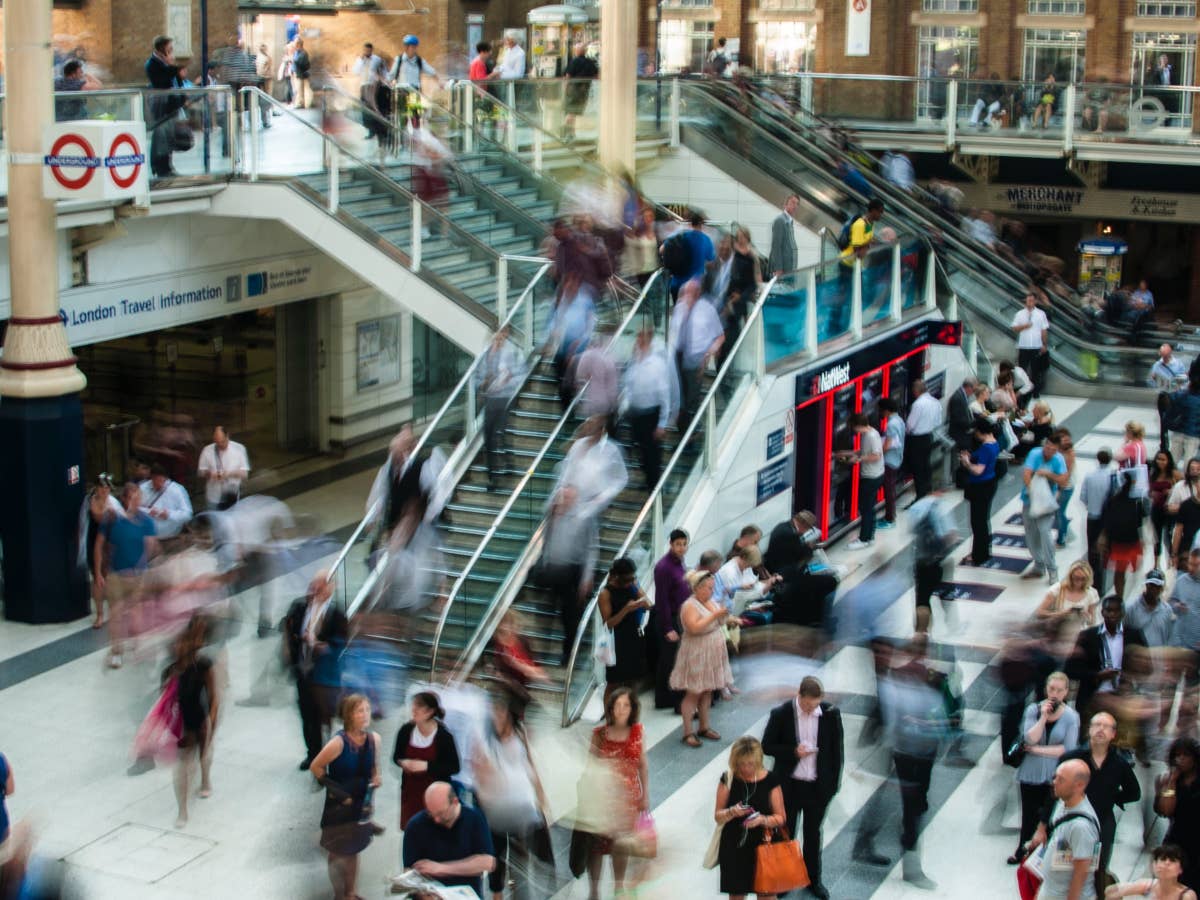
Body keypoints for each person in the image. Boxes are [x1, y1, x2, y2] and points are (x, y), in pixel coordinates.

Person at [760, 677, 843, 900]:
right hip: (790, 786)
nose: (811, 709)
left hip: (817, 787)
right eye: (808, 704)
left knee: (813, 834)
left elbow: (837, 752)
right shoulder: (782, 714)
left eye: (815, 704)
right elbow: (767, 746)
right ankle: (785, 879)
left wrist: (832, 786)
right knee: (786, 834)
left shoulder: (830, 714)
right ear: (800, 695)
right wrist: (793, 752)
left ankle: (813, 879)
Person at [1055, 712, 1142, 893]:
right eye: (1097, 725)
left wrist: (1113, 797)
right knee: (1065, 867)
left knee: (1098, 868)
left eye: (1106, 726)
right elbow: (1054, 792)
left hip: (1102, 821)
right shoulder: (1072, 758)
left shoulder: (1119, 763)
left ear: (1113, 734)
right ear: (1089, 729)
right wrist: (1042, 826)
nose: (1101, 729)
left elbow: (1134, 792)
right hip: (1071, 819)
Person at [474, 693, 549, 900]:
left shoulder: (520, 732)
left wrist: (541, 798)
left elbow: (530, 764)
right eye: (493, 712)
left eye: (500, 712)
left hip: (521, 807)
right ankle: (497, 892)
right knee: (496, 854)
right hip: (494, 809)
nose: (496, 716)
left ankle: (519, 892)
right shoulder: (484, 738)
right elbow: (478, 771)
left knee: (520, 855)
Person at [310, 694, 382, 900]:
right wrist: (338, 792)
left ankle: (351, 892)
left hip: (361, 805)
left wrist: (376, 777)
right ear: (349, 715)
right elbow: (316, 767)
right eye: (360, 711)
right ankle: (338, 895)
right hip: (339, 807)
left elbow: (374, 767)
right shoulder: (338, 743)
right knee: (337, 851)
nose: (365, 714)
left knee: (354, 850)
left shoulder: (374, 740)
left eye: (367, 710)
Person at [1010, 672, 1080, 865]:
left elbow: (1067, 748)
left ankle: (1043, 854)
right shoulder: (1034, 709)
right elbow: (1029, 737)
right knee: (1028, 814)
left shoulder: (1071, 717)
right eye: (1051, 689)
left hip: (1054, 775)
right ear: (1046, 689)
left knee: (1048, 816)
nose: (1054, 693)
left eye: (1059, 690)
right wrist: (1043, 718)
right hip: (1030, 771)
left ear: (1066, 692)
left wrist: (1035, 750)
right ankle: (1022, 849)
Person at [587, 687, 649, 899]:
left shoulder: (637, 732)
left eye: (626, 705)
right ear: (610, 708)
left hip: (627, 800)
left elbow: (642, 765)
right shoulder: (599, 735)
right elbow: (590, 767)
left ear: (632, 708)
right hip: (602, 799)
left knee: (621, 845)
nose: (621, 710)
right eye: (617, 705)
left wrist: (645, 794)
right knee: (596, 846)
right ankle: (594, 891)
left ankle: (618, 887)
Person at [285, 572, 349, 771]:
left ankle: (327, 754)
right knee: (306, 715)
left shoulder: (337, 615)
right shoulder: (300, 607)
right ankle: (312, 753)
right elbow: (289, 632)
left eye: (321, 585)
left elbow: (341, 645)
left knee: (325, 717)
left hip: (324, 677)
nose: (316, 589)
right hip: (303, 672)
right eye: (314, 585)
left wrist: (321, 645)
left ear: (331, 587)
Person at [714, 737, 787, 900]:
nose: (746, 769)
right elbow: (718, 816)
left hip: (764, 844)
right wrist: (731, 812)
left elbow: (781, 817)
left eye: (750, 764)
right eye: (741, 764)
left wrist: (762, 819)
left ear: (758, 760)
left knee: (767, 894)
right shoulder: (728, 779)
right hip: (734, 846)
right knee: (737, 894)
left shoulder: (771, 780)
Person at [97, 482, 159, 669]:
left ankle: (137, 645)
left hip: (138, 575)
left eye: (139, 497)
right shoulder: (112, 519)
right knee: (115, 614)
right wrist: (99, 571)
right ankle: (116, 651)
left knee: (136, 613)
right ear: (124, 499)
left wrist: (143, 568)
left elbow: (151, 546)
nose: (137, 501)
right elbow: (99, 545)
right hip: (116, 575)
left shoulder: (146, 521)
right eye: (133, 497)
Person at [401, 781, 496, 898]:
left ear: (455, 802)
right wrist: (423, 894)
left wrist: (441, 868)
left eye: (441, 814)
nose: (436, 819)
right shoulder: (415, 825)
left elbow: (487, 862)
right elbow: (408, 871)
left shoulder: (474, 818)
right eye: (431, 813)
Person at [670, 570, 733, 748]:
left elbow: (719, 620)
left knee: (707, 690)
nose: (712, 592)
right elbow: (694, 628)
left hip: (712, 651)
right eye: (708, 588)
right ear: (697, 588)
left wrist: (727, 617)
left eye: (713, 588)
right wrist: (715, 615)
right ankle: (688, 732)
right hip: (697, 652)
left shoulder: (710, 601)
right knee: (694, 692)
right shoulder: (689, 605)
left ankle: (704, 727)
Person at [1024, 759, 1102, 900]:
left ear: (1079, 785)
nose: (1054, 782)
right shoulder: (1062, 803)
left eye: (1061, 780)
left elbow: (1081, 873)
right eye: (1055, 777)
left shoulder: (1081, 827)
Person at [1066, 595, 1149, 719]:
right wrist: (1097, 675)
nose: (1112, 614)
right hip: (1094, 698)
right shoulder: (1088, 637)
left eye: (1117, 611)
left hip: (1124, 699)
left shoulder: (1134, 635)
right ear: (1102, 612)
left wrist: (1129, 679)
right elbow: (1071, 670)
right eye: (1109, 610)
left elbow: (1147, 665)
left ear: (1123, 613)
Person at [393, 692, 461, 830]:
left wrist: (427, 766)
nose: (414, 710)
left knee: (433, 830)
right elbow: (396, 756)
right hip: (411, 792)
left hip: (436, 797)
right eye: (414, 705)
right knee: (412, 829)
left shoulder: (444, 736)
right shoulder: (406, 730)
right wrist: (403, 763)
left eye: (419, 706)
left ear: (430, 711)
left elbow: (454, 767)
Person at [622, 326, 674, 491]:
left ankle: (655, 484)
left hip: (652, 413)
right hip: (636, 413)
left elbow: (664, 394)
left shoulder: (657, 364)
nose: (638, 341)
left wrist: (662, 423)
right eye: (638, 338)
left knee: (652, 452)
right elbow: (628, 384)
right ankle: (648, 480)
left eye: (641, 338)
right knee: (641, 449)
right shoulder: (634, 361)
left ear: (648, 340)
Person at [670, 279, 725, 433]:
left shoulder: (707, 310)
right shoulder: (679, 308)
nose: (687, 296)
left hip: (697, 360)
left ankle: (689, 433)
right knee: (680, 398)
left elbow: (720, 336)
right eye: (685, 293)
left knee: (691, 400)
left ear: (698, 293)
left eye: (690, 293)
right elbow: (673, 333)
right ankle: (684, 431)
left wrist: (708, 354)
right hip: (678, 357)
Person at [476, 324, 522, 491]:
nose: (498, 340)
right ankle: (492, 477)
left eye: (501, 336)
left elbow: (518, 375)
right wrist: (482, 384)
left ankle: (508, 463)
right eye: (496, 337)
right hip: (490, 400)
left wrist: (507, 381)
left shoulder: (510, 354)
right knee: (489, 437)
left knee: (501, 433)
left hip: (504, 399)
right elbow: (478, 377)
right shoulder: (486, 355)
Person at [598, 558, 651, 701]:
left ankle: (630, 716)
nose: (631, 581)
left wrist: (637, 587)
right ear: (617, 576)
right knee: (613, 683)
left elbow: (648, 605)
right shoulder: (606, 593)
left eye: (633, 577)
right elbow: (608, 624)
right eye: (628, 578)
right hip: (616, 642)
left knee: (632, 680)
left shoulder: (632, 587)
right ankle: (610, 720)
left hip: (633, 637)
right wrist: (626, 609)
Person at [908, 489, 958, 633]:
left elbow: (911, 531)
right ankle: (952, 624)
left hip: (921, 560)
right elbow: (951, 535)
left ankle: (923, 629)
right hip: (938, 560)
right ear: (937, 492)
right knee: (946, 593)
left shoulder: (915, 507)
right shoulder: (940, 507)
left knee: (922, 597)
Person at [1023, 434, 1069, 585]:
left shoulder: (1058, 460)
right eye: (1047, 446)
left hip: (1046, 503)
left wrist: (1048, 474)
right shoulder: (1035, 454)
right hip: (1030, 500)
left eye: (1052, 449)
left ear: (1057, 450)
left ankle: (1052, 568)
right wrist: (1032, 490)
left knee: (1045, 533)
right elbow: (1027, 474)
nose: (1048, 451)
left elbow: (1063, 480)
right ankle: (1038, 564)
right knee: (1031, 534)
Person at [1155, 738, 1200, 890]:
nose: (1180, 759)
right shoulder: (1168, 781)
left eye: (1185, 755)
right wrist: (1171, 783)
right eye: (1177, 755)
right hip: (1178, 837)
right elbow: (1166, 810)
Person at [653, 529, 690, 711]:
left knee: (674, 659)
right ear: (671, 544)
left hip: (680, 617)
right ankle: (664, 698)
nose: (682, 548)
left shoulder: (679, 563)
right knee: (668, 661)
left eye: (684, 544)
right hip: (669, 619)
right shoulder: (664, 567)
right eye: (678, 544)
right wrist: (668, 627)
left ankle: (669, 698)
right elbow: (662, 600)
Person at [1101, 469, 1147, 599]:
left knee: (1120, 572)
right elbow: (1142, 521)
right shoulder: (1138, 500)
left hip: (1118, 542)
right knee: (1134, 571)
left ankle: (1120, 597)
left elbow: (1107, 522)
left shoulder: (1113, 500)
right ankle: (1128, 597)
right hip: (1132, 542)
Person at [145, 35, 184, 178]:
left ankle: (167, 165)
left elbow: (178, 79)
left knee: (168, 135)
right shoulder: (153, 63)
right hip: (161, 104)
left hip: (171, 103)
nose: (171, 50)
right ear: (162, 49)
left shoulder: (166, 64)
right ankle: (160, 167)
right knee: (161, 135)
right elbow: (160, 82)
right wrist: (172, 67)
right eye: (169, 47)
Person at [845, 413, 885, 550]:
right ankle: (869, 537)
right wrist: (848, 453)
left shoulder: (871, 436)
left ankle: (864, 539)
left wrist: (859, 459)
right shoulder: (870, 434)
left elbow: (876, 455)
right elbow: (864, 451)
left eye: (853, 427)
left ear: (857, 425)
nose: (853, 430)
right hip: (875, 475)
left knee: (866, 509)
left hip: (871, 477)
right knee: (870, 508)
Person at [1037, 560, 1101, 645]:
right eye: (1076, 578)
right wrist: (1061, 614)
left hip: (1080, 634)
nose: (1079, 582)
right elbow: (1040, 613)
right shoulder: (1057, 589)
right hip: (1058, 633)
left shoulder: (1091, 593)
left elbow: (1092, 621)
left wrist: (1086, 616)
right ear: (1070, 576)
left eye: (1083, 579)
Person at [1081, 449, 1118, 592]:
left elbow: (1083, 496)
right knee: (1105, 549)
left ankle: (1096, 583)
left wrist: (1091, 505)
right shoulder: (1114, 475)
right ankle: (1101, 580)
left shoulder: (1090, 476)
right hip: (1109, 518)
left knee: (1092, 549)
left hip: (1093, 516)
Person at [1105, 844, 1197, 900]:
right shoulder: (1147, 885)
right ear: (1154, 865)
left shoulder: (1186, 896)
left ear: (1180, 869)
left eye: (1172, 860)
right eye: (1163, 859)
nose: (1166, 863)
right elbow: (1110, 892)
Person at [905, 378, 943, 500]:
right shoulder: (935, 402)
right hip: (929, 437)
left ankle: (920, 495)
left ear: (917, 390)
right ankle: (927, 490)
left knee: (918, 468)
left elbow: (910, 425)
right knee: (926, 465)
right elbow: (938, 421)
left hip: (917, 440)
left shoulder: (918, 404)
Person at [197, 426, 250, 511]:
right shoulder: (207, 450)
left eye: (222, 442)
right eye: (217, 442)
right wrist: (210, 474)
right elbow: (201, 472)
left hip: (232, 495)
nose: (220, 445)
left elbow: (245, 474)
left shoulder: (239, 449)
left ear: (227, 436)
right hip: (213, 497)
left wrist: (229, 474)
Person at [138, 462, 193, 540]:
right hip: (147, 535)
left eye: (161, 481)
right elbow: (134, 508)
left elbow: (188, 514)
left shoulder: (177, 489)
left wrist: (169, 515)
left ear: (166, 478)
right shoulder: (142, 488)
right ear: (152, 478)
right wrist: (148, 511)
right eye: (156, 481)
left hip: (170, 535)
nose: (159, 484)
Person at [1013, 292, 1050, 399]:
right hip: (1023, 347)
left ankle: (1035, 392)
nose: (1030, 302)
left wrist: (1044, 344)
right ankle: (1021, 391)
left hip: (1036, 346)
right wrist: (1025, 326)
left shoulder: (1040, 314)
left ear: (1035, 302)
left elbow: (1044, 330)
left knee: (1036, 371)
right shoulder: (1020, 314)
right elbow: (1014, 328)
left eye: (1032, 300)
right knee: (1022, 370)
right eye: (1028, 300)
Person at [1150, 450, 1182, 567]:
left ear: (1168, 461)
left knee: (1168, 536)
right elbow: (1148, 489)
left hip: (1169, 510)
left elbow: (1183, 486)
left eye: (1163, 459)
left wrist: (1171, 491)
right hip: (1156, 508)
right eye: (1158, 459)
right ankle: (1156, 563)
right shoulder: (1154, 473)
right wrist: (1152, 494)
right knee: (1156, 537)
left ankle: (1170, 560)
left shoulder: (1174, 474)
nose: (1160, 462)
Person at [880, 397, 906, 528]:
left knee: (888, 490)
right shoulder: (899, 420)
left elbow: (888, 444)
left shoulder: (891, 424)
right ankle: (891, 515)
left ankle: (889, 518)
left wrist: (878, 454)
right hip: (897, 459)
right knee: (891, 489)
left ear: (886, 411)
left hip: (889, 461)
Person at [563, 43, 597, 140]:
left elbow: (568, 76)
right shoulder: (590, 62)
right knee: (577, 111)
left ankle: (568, 132)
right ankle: (572, 133)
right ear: (585, 52)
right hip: (584, 90)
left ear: (577, 51)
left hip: (574, 89)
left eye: (575, 49)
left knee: (570, 111)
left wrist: (565, 88)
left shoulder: (574, 61)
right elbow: (596, 76)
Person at [768, 194, 799, 278]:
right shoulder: (780, 220)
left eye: (797, 204)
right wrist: (778, 269)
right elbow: (776, 246)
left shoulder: (789, 221)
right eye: (793, 203)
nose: (795, 206)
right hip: (781, 271)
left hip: (788, 269)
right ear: (785, 204)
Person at [947, 376, 978, 452]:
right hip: (959, 436)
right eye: (974, 390)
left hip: (964, 434)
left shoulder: (963, 396)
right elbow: (959, 419)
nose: (973, 393)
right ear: (969, 387)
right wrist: (974, 423)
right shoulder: (958, 397)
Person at [291, 38, 312, 109]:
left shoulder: (303, 53)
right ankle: (299, 103)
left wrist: (293, 60)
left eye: (295, 43)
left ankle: (300, 103)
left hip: (300, 74)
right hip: (296, 73)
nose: (294, 45)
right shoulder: (297, 52)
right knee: (297, 89)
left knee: (300, 89)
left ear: (299, 44)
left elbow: (300, 63)